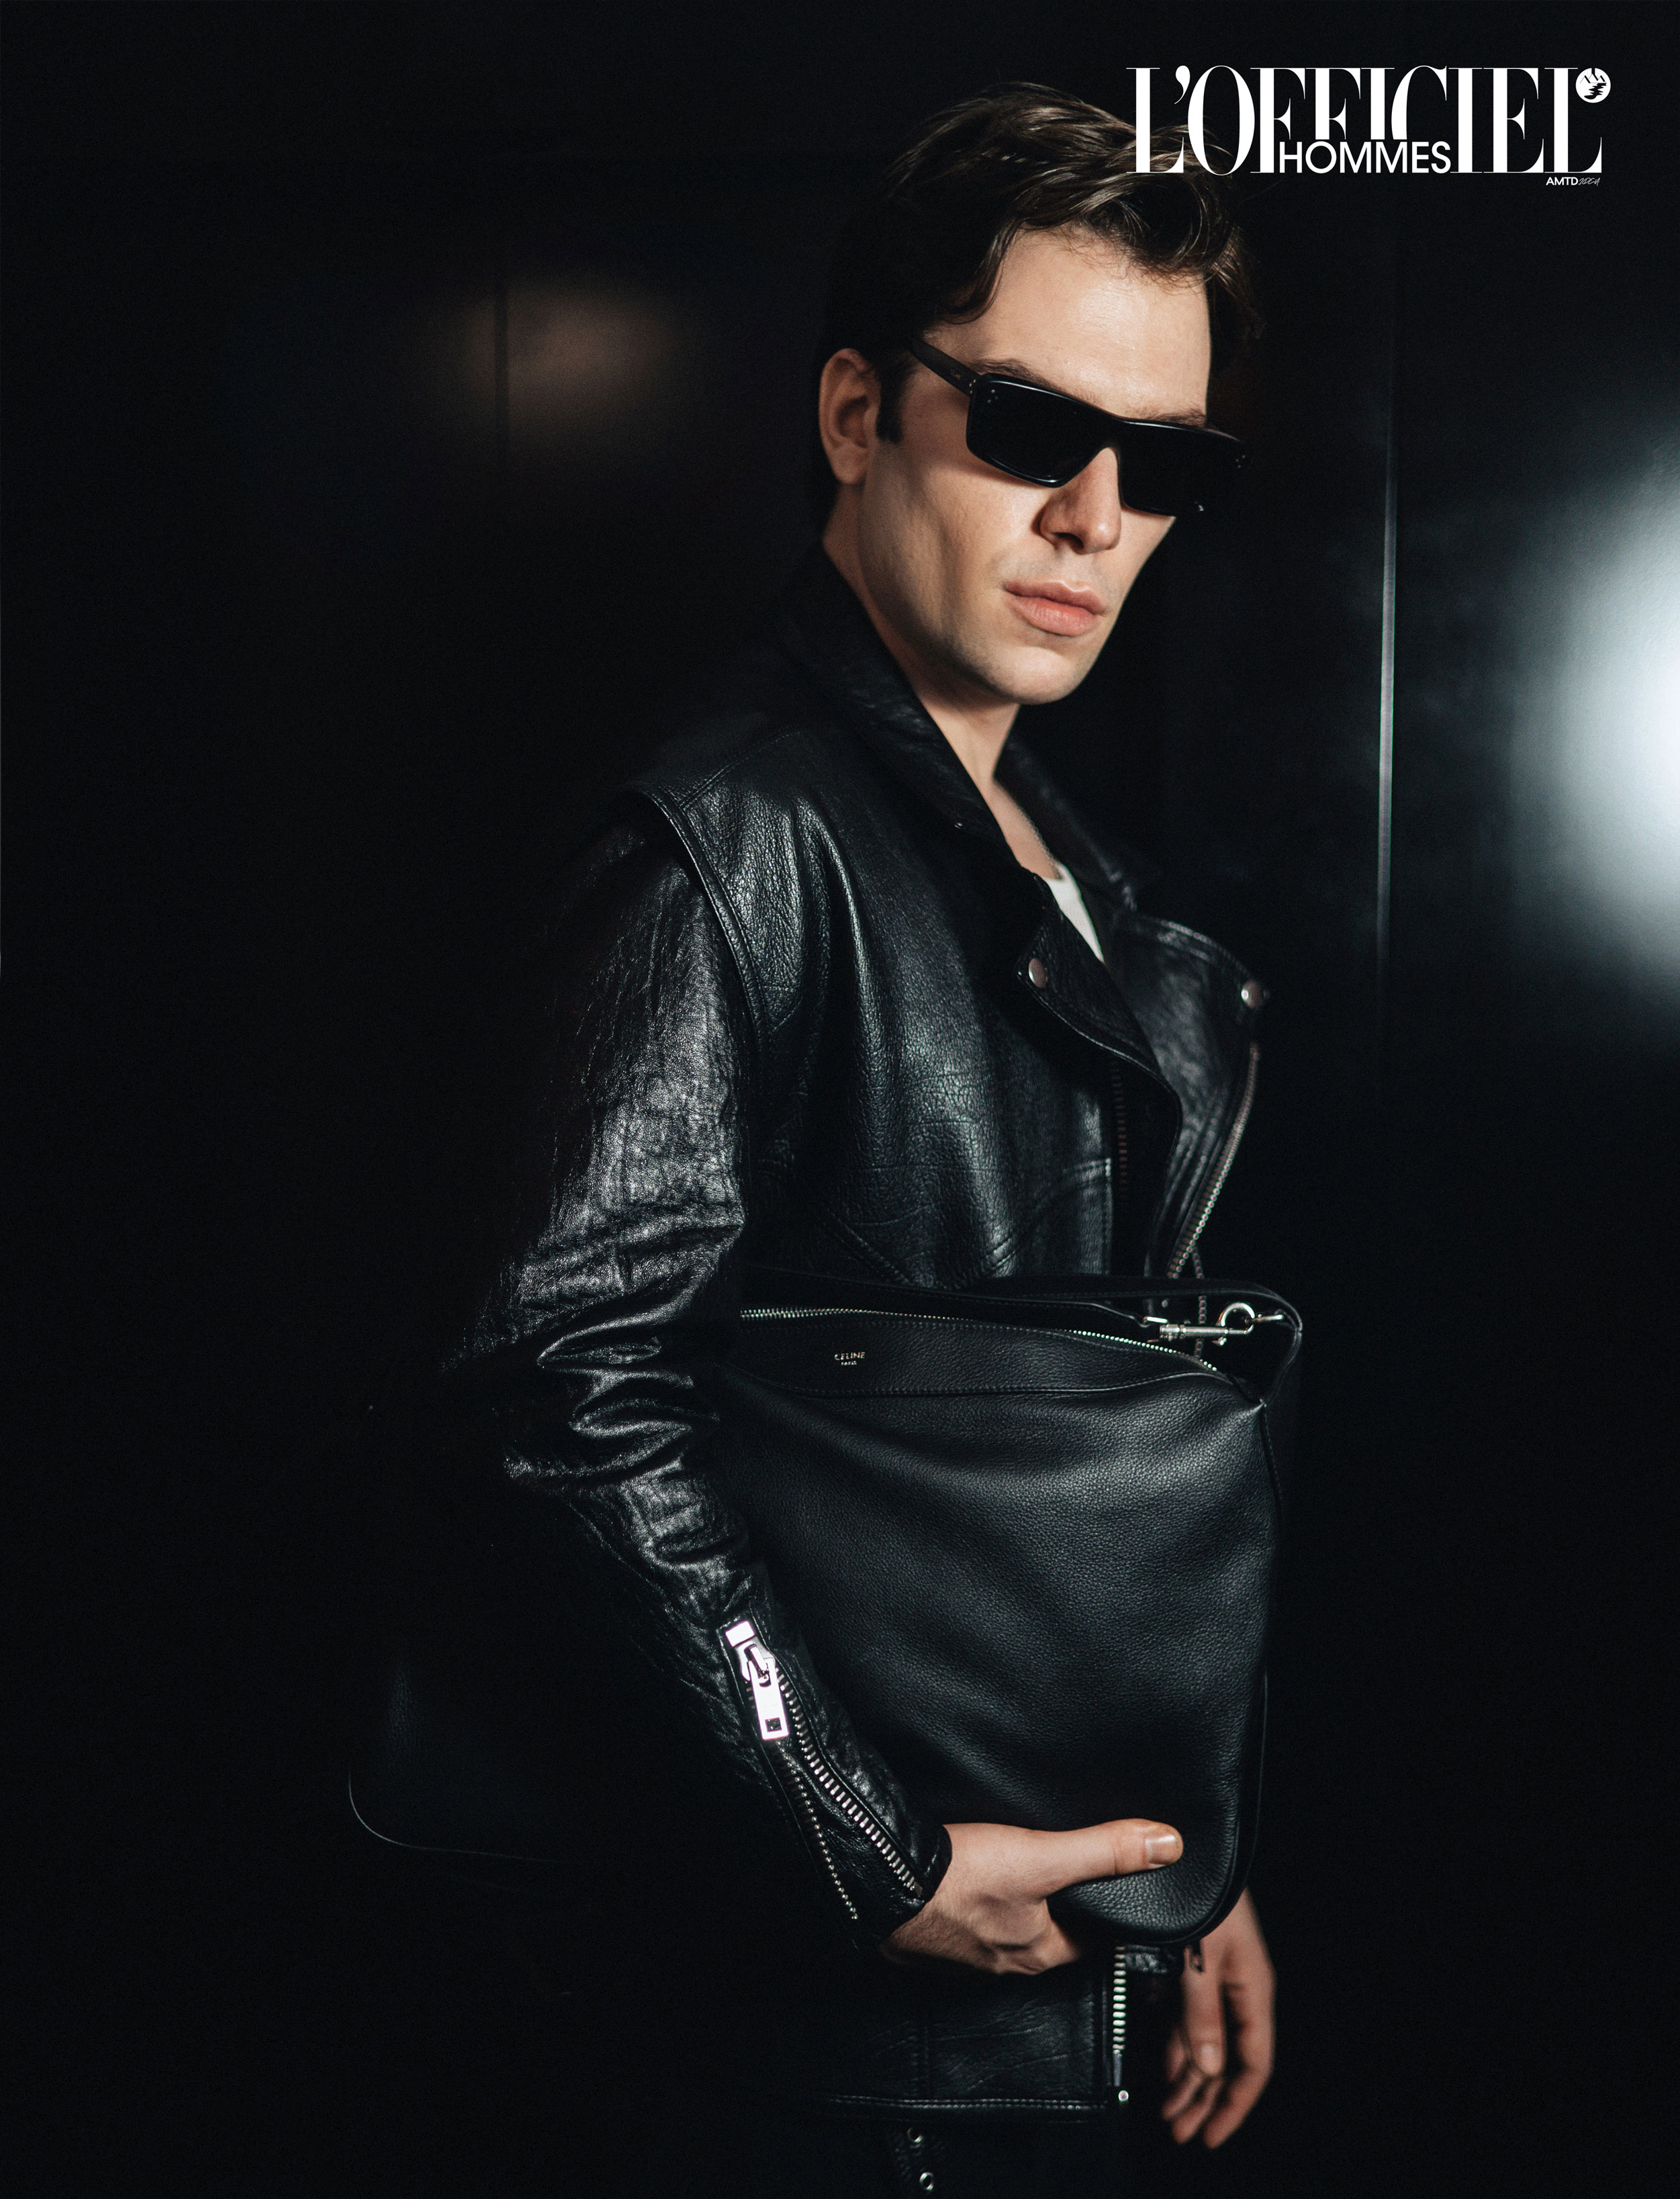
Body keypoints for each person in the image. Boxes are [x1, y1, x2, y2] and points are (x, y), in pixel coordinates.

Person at [379, 84, 1276, 2197]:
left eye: (1164, 463)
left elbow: (1061, 1495)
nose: (1097, 517)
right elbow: (556, 1399)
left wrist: (1188, 1859)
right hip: (814, 2064)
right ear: (859, 413)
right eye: (1035, 429)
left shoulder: (1066, 873)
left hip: (1030, 2004)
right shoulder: (728, 842)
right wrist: (857, 1846)